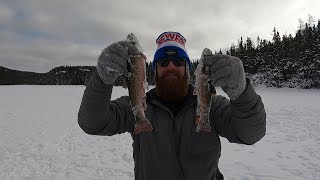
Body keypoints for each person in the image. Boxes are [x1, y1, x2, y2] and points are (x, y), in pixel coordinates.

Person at [78, 31, 266, 180]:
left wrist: (242, 93)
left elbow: (250, 134)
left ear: (188, 70)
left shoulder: (210, 106)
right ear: (153, 70)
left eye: (178, 61)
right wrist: (102, 80)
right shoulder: (138, 106)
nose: (170, 66)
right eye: (163, 62)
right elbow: (92, 123)